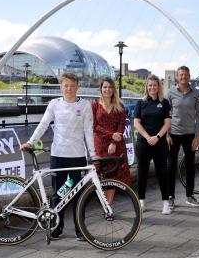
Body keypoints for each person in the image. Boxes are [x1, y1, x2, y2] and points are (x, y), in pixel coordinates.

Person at [20, 72, 95, 240]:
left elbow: (88, 132)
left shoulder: (85, 105)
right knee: (59, 193)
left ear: (77, 87)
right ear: (61, 87)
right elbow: (43, 124)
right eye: (65, 85)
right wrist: (30, 142)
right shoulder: (54, 104)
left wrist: (93, 155)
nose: (69, 89)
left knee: (78, 194)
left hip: (78, 157)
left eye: (72, 85)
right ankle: (55, 226)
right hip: (58, 155)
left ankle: (80, 229)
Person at [133, 74, 172, 214]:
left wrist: (157, 136)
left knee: (162, 173)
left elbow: (168, 123)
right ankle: (141, 201)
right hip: (143, 143)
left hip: (159, 143)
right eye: (150, 85)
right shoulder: (141, 103)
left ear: (158, 87)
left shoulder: (164, 102)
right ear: (146, 87)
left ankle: (166, 203)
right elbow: (136, 122)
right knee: (142, 172)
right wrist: (148, 136)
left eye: (155, 85)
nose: (152, 87)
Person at [167, 66, 199, 208]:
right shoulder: (170, 92)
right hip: (174, 134)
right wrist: (167, 135)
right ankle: (170, 197)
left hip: (190, 135)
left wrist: (197, 136)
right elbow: (166, 114)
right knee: (170, 166)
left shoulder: (196, 93)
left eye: (186, 75)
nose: (183, 77)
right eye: (181, 75)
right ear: (177, 76)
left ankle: (190, 196)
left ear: (189, 76)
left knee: (190, 166)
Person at [92, 77, 131, 204]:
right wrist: (111, 135)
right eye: (105, 87)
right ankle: (103, 203)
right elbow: (94, 126)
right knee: (100, 174)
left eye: (110, 87)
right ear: (101, 89)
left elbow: (121, 126)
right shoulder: (95, 105)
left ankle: (108, 206)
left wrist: (114, 141)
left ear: (114, 89)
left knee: (112, 175)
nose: (107, 89)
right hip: (100, 145)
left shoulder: (120, 106)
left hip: (116, 145)